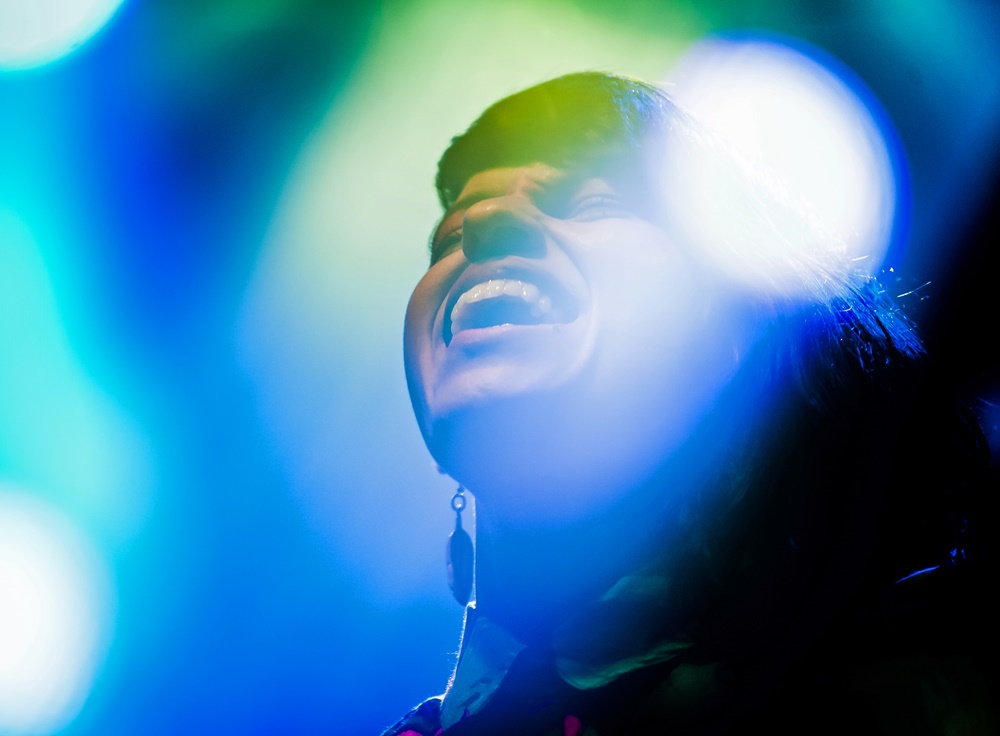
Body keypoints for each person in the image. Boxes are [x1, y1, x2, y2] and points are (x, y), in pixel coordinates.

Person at [382, 71, 998, 735]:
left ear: (748, 321)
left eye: (590, 204)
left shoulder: (939, 667)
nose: (480, 222)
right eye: (447, 238)